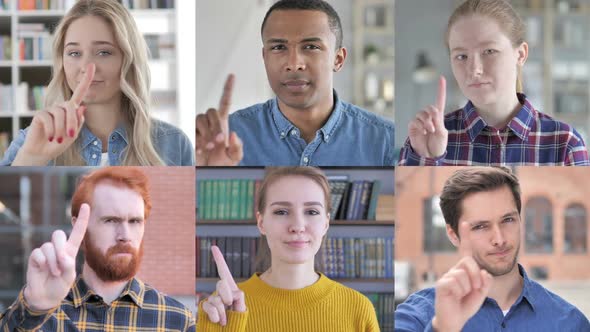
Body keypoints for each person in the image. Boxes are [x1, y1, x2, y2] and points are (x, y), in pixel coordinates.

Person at [195, 0, 395, 166]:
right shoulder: (224, 138)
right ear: (264, 57)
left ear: (338, 59)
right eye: (279, 47)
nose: (294, 64)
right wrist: (207, 175)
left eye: (310, 46)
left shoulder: (386, 141)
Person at [0, 0, 194, 166]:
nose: (86, 67)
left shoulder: (173, 143)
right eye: (74, 53)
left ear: (128, 60)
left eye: (104, 52)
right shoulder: (30, 141)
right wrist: (31, 159)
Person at [395, 167, 590, 331]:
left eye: (507, 220)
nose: (499, 239)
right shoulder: (417, 317)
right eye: (480, 226)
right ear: (453, 234)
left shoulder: (571, 323)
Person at [0, 167, 195, 331]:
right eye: (110, 220)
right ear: (80, 228)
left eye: (135, 221)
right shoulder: (41, 316)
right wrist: (34, 308)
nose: (125, 235)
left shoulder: (178, 321)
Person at [398, 0, 589, 166]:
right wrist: (428, 159)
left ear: (520, 54)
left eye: (489, 51)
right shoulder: (423, 141)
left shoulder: (565, 144)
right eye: (461, 56)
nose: (474, 69)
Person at [197, 167, 380, 331]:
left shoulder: (358, 307)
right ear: (261, 223)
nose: (298, 226)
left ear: (325, 223)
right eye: (281, 212)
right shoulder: (221, 309)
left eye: (312, 212)